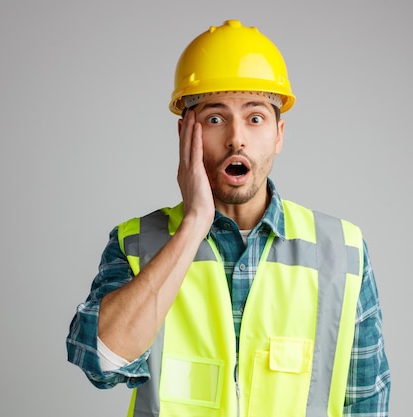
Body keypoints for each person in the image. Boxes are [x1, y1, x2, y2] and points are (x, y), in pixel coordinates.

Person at [67, 19, 390, 417]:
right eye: (215, 119)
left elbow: (366, 403)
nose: (236, 138)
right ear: (186, 133)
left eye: (255, 118)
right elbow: (103, 362)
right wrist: (194, 224)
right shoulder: (137, 243)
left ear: (278, 134)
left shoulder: (342, 251)